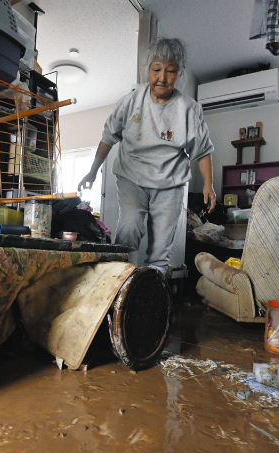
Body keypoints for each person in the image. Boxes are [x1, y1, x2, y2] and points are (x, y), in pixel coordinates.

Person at [78, 37, 215, 275]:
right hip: (133, 177)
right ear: (148, 70)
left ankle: (152, 295)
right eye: (156, 69)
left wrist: (209, 184)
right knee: (129, 227)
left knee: (161, 245)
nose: (162, 77)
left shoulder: (189, 109)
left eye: (170, 71)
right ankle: (120, 281)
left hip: (170, 184)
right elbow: (108, 137)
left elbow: (202, 150)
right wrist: (92, 171)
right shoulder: (130, 101)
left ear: (178, 73)